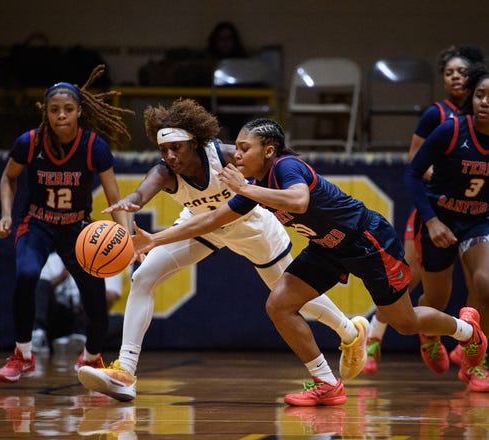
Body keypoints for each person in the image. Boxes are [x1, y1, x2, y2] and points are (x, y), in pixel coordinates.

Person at [124, 117, 487, 406]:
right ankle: (326, 383)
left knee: (403, 322)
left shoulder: (286, 167)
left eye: (245, 148)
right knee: (279, 304)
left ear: (268, 151)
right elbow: (212, 220)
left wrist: (245, 189)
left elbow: (297, 202)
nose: (236, 155)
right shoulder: (256, 182)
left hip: (367, 240)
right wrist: (155, 239)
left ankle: (467, 332)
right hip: (326, 246)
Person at [77, 99, 369, 404]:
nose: (171, 155)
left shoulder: (228, 155)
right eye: (165, 150)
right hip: (201, 226)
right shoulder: (164, 172)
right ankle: (125, 371)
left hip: (253, 229)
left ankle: (349, 332)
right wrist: (131, 202)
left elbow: (273, 166)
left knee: (293, 301)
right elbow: (142, 192)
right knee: (144, 276)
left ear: (195, 141)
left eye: (177, 147)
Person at [0, 65, 132, 383]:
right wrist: (5, 214)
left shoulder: (94, 146)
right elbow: (7, 178)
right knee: (27, 275)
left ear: (79, 111)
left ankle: (93, 357)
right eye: (54, 110)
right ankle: (22, 355)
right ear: (47, 112)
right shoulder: (29, 142)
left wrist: (124, 231)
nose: (61, 116)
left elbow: (114, 196)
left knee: (96, 300)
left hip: (78, 227)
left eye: (68, 109)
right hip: (37, 223)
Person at [363, 45, 485, 375]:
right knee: (408, 281)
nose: (456, 77)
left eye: (462, 72)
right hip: (434, 210)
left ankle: (471, 352)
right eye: (449, 73)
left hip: (474, 216)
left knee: (480, 284)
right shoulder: (439, 116)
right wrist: (450, 177)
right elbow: (414, 162)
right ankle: (373, 339)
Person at [403, 62, 489, 392]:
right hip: (440, 219)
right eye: (479, 94)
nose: (484, 101)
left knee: (485, 286)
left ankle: (476, 361)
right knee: (437, 298)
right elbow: (412, 174)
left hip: (478, 220)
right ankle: (430, 334)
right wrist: (433, 220)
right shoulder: (451, 129)